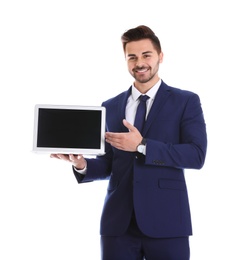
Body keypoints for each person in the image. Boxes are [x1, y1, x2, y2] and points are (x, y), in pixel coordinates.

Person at [51, 25, 207, 260]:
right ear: (125, 60)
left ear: (160, 57)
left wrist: (142, 145)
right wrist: (82, 164)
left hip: (167, 221)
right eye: (132, 57)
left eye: (146, 55)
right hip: (118, 225)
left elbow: (196, 155)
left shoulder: (186, 101)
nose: (139, 62)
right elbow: (109, 164)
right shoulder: (111, 106)